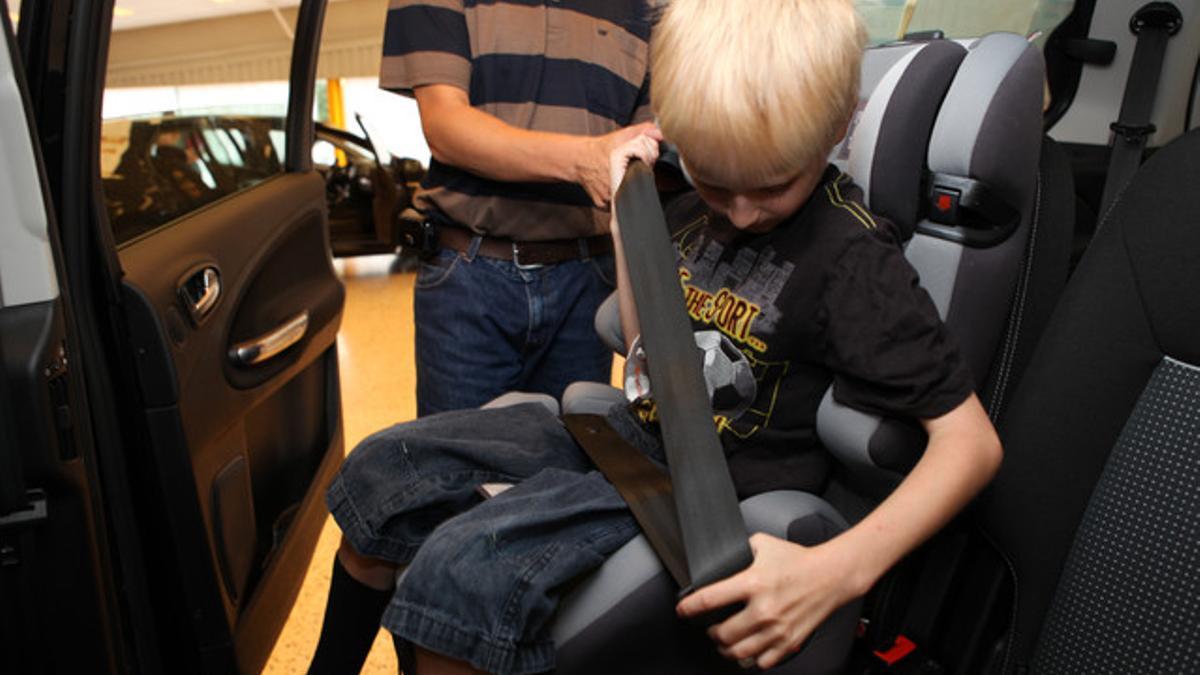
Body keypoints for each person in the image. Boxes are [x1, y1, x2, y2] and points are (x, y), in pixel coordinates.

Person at [307, 1, 1003, 673]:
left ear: (840, 130)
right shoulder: (688, 207)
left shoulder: (852, 261)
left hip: (700, 491)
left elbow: (971, 446)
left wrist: (836, 571)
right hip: (629, 435)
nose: (740, 212)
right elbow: (648, 359)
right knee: (383, 465)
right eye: (714, 181)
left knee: (457, 569)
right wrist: (629, 225)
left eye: (772, 187)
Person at [381, 0, 660, 416]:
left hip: (587, 285)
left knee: (571, 467)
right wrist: (582, 160)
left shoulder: (650, 7)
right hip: (469, 279)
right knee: (459, 463)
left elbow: (645, 147)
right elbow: (444, 126)